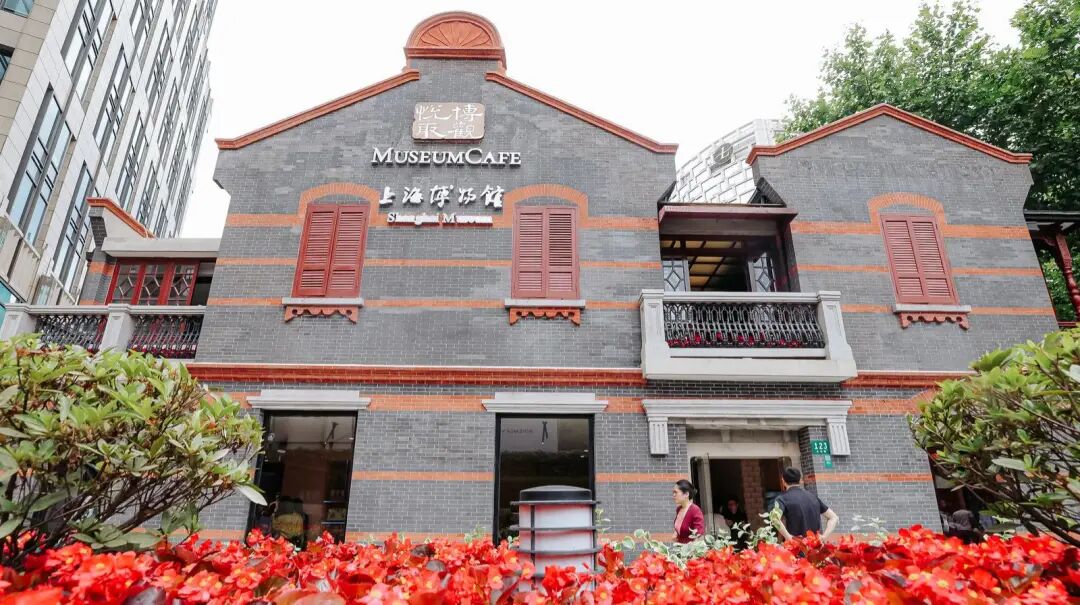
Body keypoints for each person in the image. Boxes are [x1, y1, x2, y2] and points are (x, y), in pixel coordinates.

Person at [772, 467, 839, 541]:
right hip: (815, 545)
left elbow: (775, 519)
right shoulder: (812, 497)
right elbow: (834, 517)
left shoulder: (782, 499)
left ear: (783, 481)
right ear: (800, 480)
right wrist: (824, 537)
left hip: (797, 546)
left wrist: (789, 538)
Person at [672, 479, 705, 544]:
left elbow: (699, 536)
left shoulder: (695, 510)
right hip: (679, 547)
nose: (673, 495)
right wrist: (676, 532)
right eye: (673, 492)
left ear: (686, 494)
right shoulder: (679, 509)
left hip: (691, 549)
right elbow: (680, 527)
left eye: (676, 492)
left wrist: (690, 549)